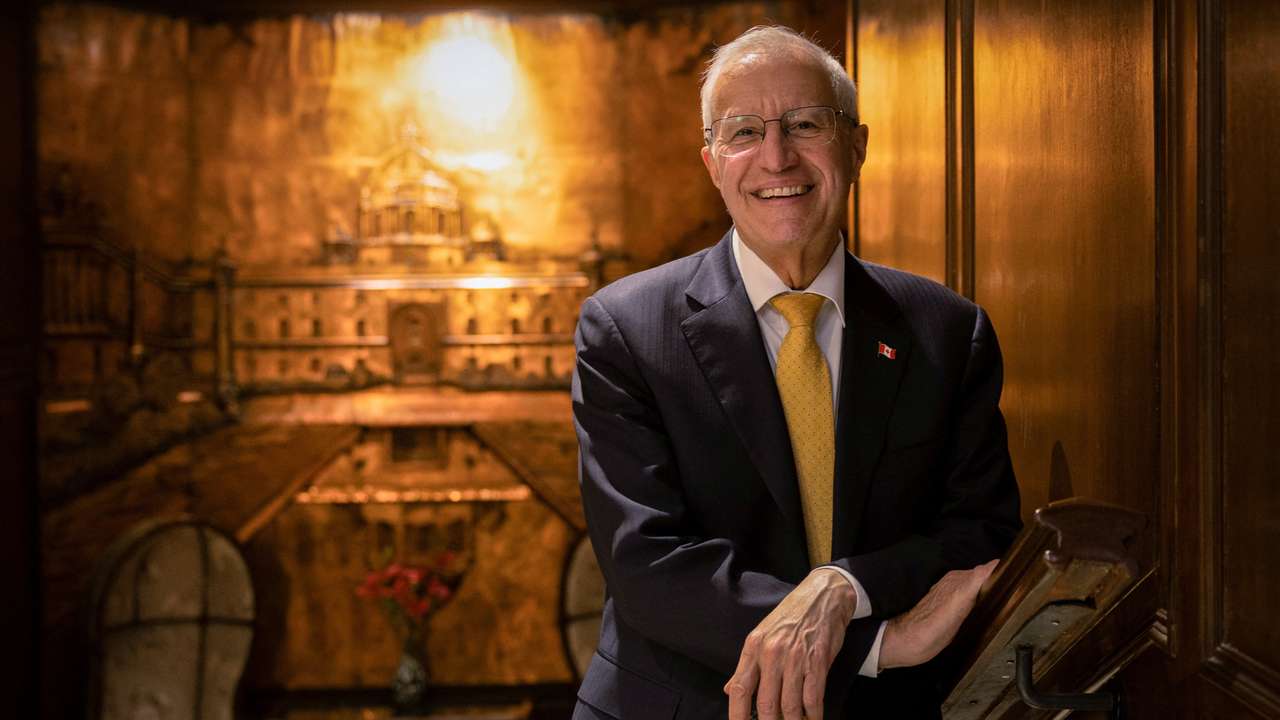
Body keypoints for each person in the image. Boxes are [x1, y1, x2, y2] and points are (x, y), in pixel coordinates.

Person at [570, 25, 1021, 720]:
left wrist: (846, 587)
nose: (777, 158)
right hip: (678, 704)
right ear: (713, 161)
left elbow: (978, 534)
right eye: (744, 131)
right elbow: (646, 566)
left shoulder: (947, 331)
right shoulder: (627, 329)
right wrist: (875, 642)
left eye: (805, 124)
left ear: (857, 146)